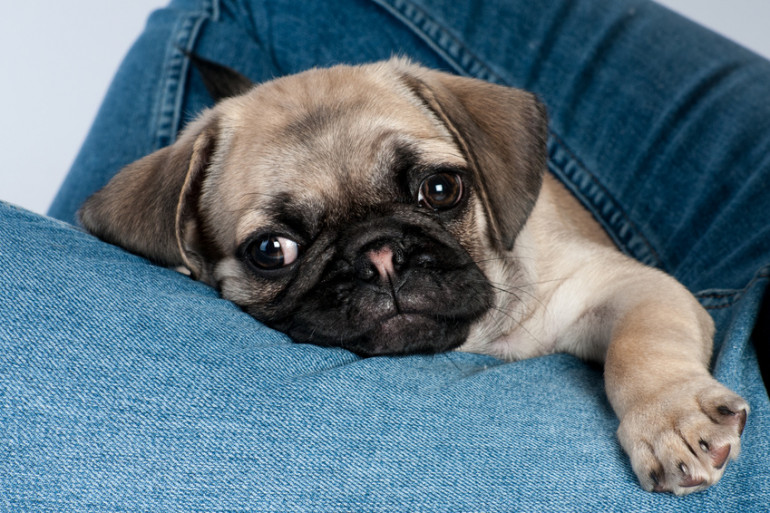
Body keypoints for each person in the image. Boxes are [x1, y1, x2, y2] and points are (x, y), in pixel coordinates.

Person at [2, 0, 768, 510]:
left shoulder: (540, 250)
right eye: (274, 247)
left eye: (437, 193)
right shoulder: (183, 193)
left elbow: (640, 295)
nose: (380, 263)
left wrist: (659, 384)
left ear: (493, 174)